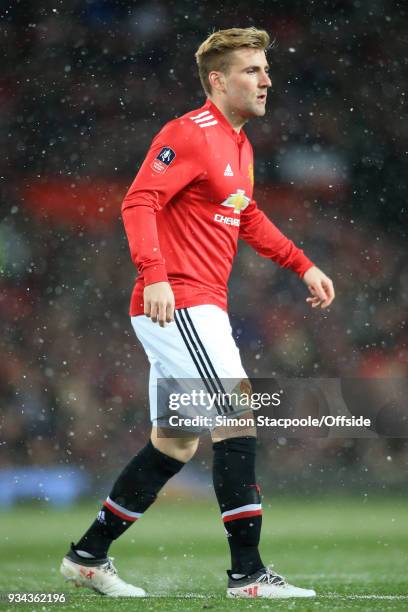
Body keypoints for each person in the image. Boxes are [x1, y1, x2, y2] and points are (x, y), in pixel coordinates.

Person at [60, 27, 335, 599]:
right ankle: (248, 575)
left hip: (195, 303)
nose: (265, 80)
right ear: (218, 80)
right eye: (251, 71)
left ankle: (88, 556)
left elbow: (246, 214)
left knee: (176, 441)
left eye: (265, 69)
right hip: (180, 301)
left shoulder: (239, 144)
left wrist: (302, 263)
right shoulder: (189, 133)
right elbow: (139, 200)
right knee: (238, 414)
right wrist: (154, 274)